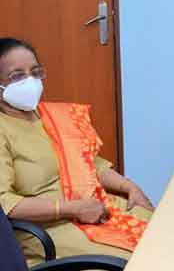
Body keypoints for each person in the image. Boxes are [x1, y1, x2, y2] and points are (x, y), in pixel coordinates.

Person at [0, 38, 153, 266]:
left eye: (35, 72)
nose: (30, 81)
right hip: (50, 228)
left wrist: (129, 187)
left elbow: (91, 163)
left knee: (168, 232)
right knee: (138, 261)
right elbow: (4, 202)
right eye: (17, 76)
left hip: (96, 208)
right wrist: (72, 209)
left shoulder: (56, 115)